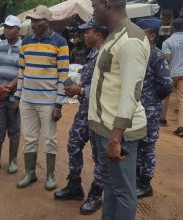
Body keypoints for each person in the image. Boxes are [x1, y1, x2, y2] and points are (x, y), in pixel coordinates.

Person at [90, 0, 150, 219]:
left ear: (106, 5)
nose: (92, 10)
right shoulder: (114, 36)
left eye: (94, 5)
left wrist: (115, 139)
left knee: (123, 191)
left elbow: (130, 93)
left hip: (118, 134)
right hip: (105, 129)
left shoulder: (131, 39)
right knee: (111, 186)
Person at [54, 18, 108, 215]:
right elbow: (85, 80)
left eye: (87, 32)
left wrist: (80, 90)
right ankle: (75, 185)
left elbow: (107, 86)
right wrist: (71, 85)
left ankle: (96, 194)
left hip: (100, 114)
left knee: (99, 156)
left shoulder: (105, 54)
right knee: (73, 144)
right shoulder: (91, 53)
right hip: (85, 110)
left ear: (99, 34)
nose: (84, 35)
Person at [14, 5, 69, 190]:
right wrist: (18, 96)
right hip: (27, 100)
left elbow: (64, 75)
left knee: (49, 139)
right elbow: (21, 71)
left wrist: (59, 104)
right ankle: (30, 173)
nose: (33, 24)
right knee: (29, 138)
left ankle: (51, 176)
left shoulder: (60, 42)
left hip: (48, 102)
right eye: (32, 20)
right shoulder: (26, 41)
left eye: (37, 20)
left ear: (47, 22)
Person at [135, 17, 173, 198]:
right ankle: (136, 180)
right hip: (137, 109)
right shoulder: (139, 53)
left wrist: (152, 100)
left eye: (141, 31)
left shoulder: (156, 55)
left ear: (150, 34)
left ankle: (145, 184)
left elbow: (166, 85)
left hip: (149, 109)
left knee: (147, 147)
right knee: (136, 144)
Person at [0, 15, 21, 175]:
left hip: (15, 97)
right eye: (5, 27)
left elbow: (24, 71)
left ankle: (13, 160)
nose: (6, 30)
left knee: (14, 130)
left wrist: (8, 87)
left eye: (10, 27)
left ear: (18, 29)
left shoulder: (24, 48)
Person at [162, 18, 183, 137]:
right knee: (182, 100)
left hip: (172, 73)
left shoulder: (168, 42)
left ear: (173, 28)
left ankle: (163, 119)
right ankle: (181, 127)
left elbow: (167, 60)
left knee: (165, 96)